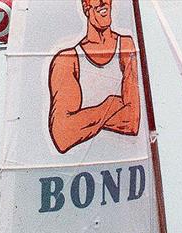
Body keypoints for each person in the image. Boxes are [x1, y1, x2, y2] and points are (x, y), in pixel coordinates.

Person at [48, 0, 140, 154]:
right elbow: (61, 136)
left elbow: (132, 121)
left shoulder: (126, 45)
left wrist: (79, 121)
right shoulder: (67, 59)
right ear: (85, 6)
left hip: (118, 160)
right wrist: (110, 104)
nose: (104, 2)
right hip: (74, 168)